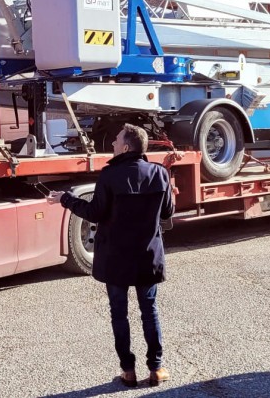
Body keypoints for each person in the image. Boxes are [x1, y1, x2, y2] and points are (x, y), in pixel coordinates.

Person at [47, 124, 175, 387]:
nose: (113, 144)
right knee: (149, 311)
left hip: (116, 258)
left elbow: (94, 213)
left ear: (127, 147)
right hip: (148, 257)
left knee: (119, 313)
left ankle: (128, 371)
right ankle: (156, 369)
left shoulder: (109, 175)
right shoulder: (160, 174)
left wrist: (66, 198)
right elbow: (166, 213)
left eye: (116, 140)